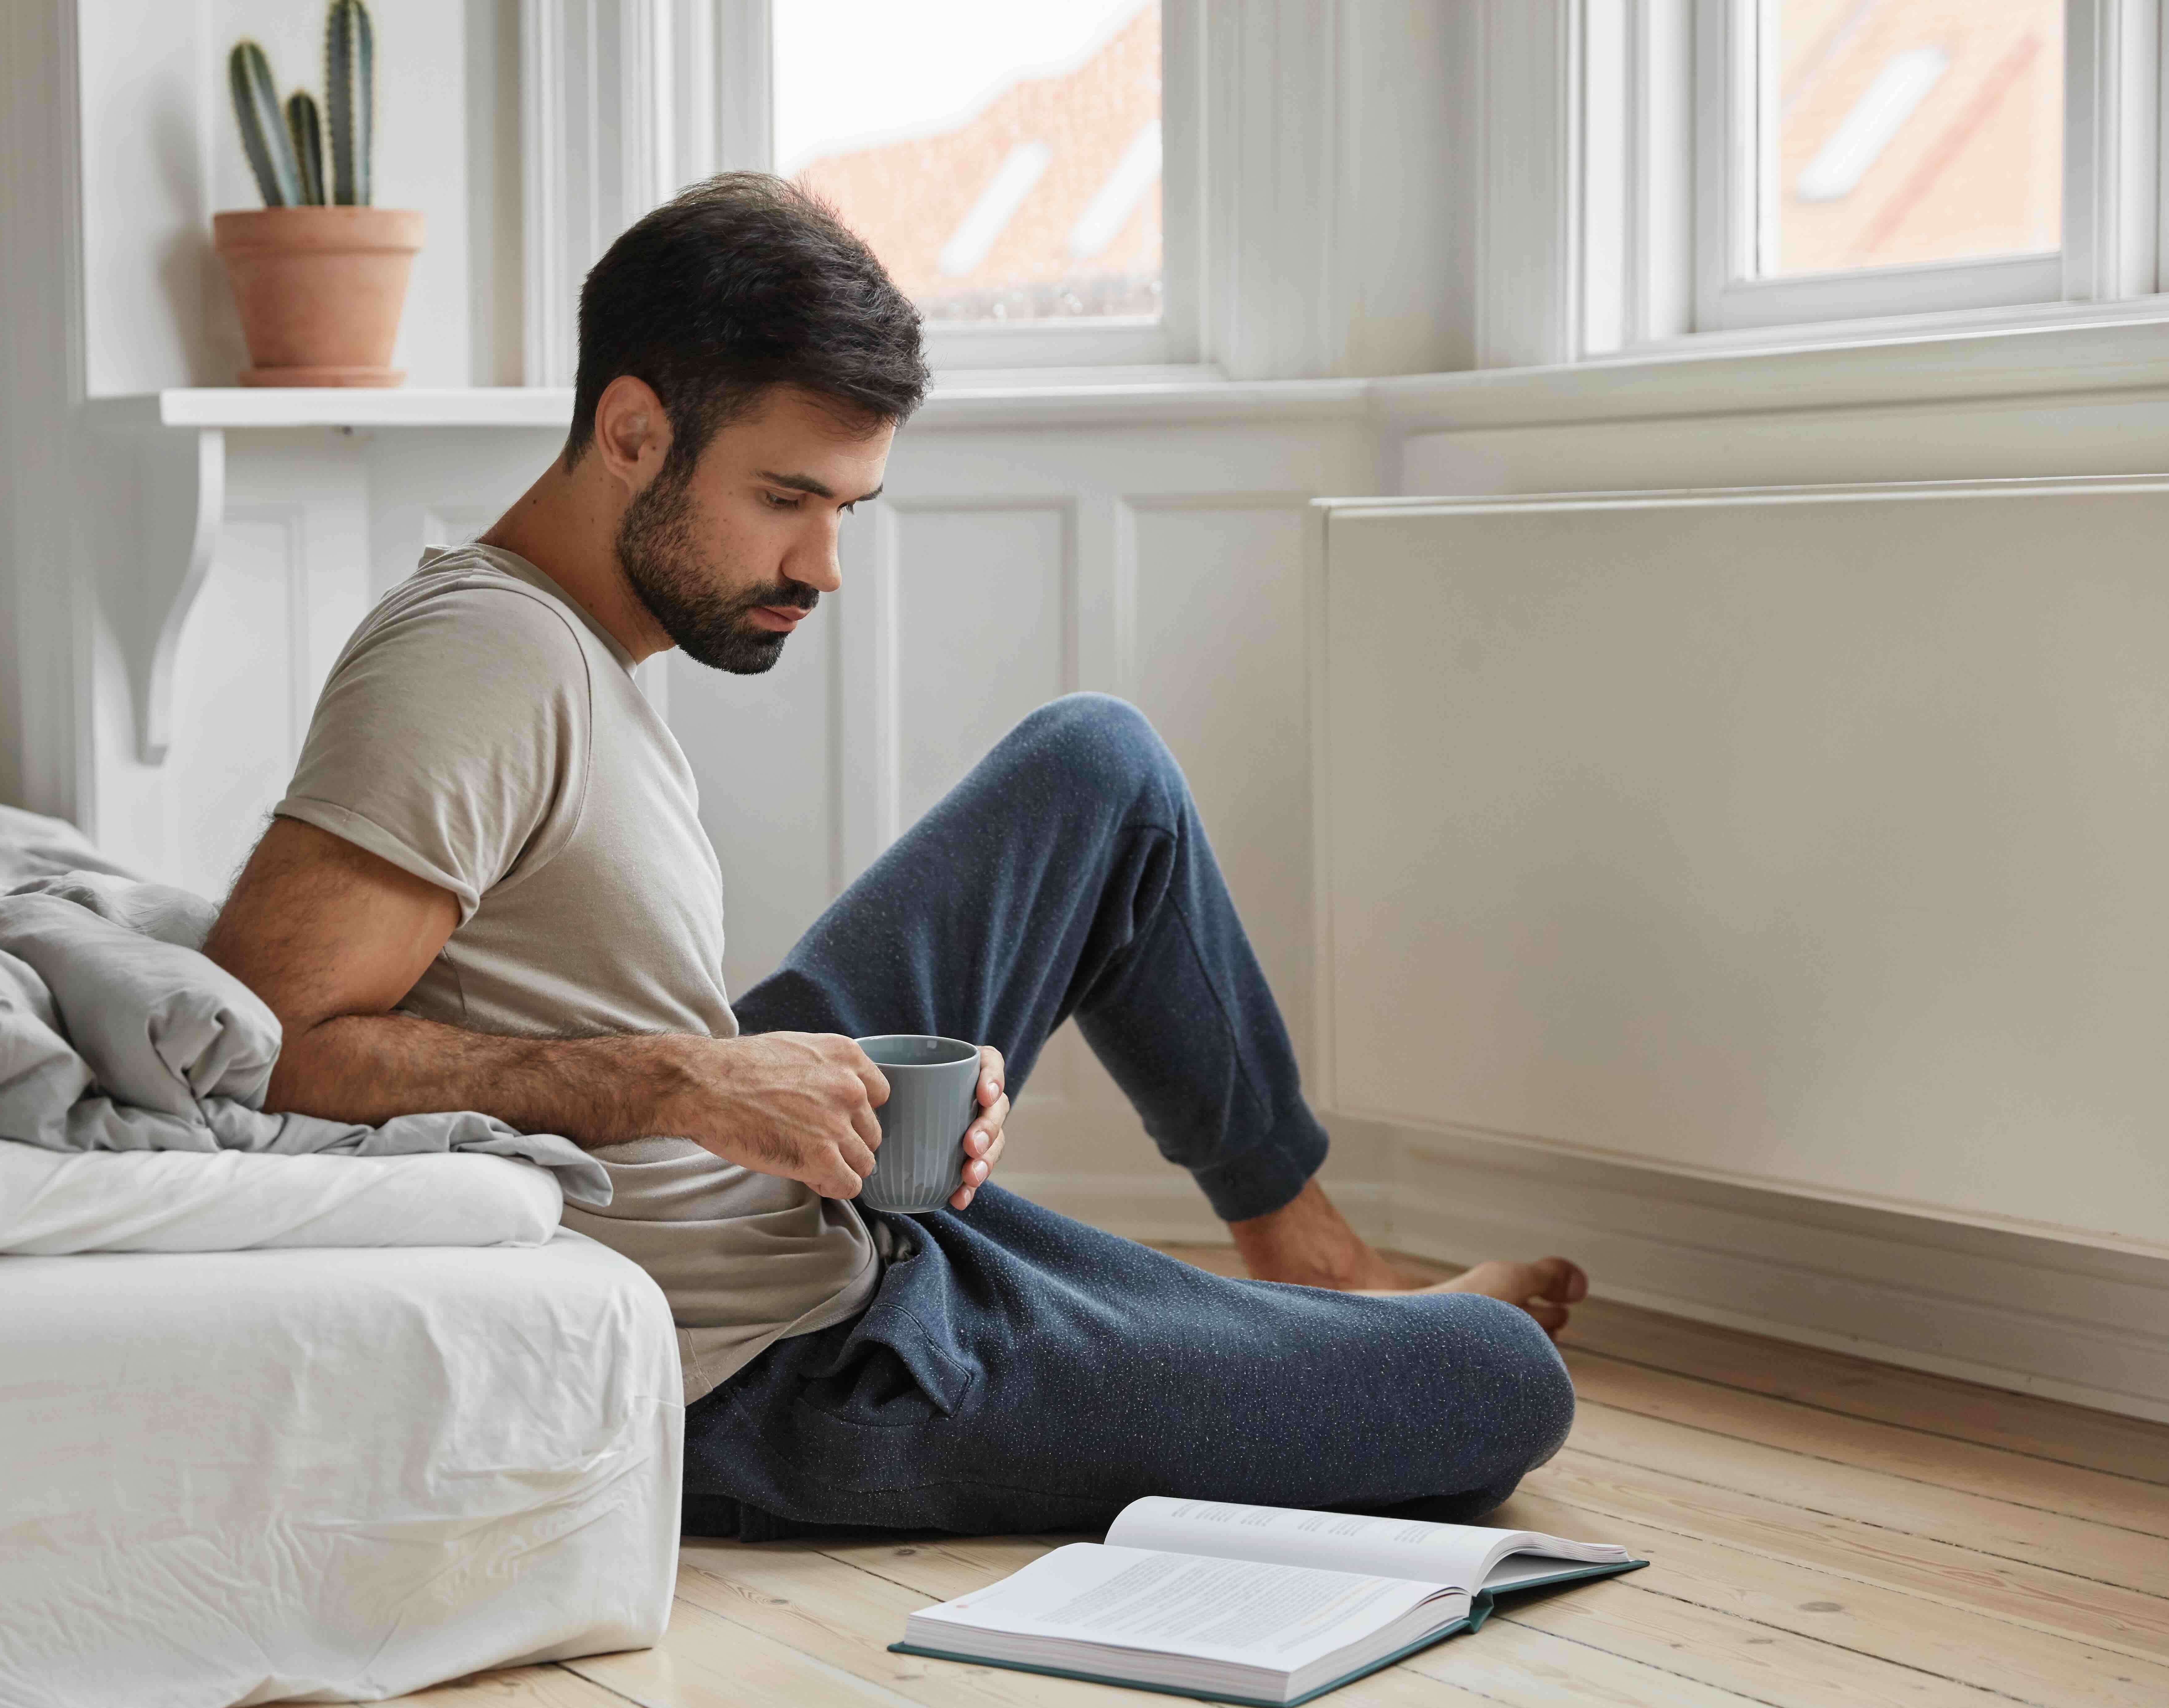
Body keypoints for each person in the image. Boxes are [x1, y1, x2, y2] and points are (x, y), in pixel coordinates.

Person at [203, 173, 1584, 1540]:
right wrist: (690, 1078)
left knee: (1097, 767)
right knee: (1494, 1386)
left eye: (846, 511)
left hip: (750, 1190)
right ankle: (1306, 1330)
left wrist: (793, 1087)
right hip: (772, 1365)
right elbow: (265, 1044)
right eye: (785, 499)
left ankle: (1315, 1266)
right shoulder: (480, 660)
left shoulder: (574, 639)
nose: (823, 567)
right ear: (632, 430)